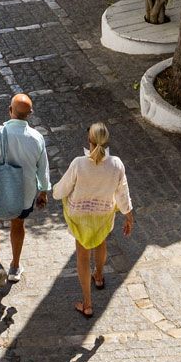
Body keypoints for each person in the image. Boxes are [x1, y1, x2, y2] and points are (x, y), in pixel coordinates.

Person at [52, 122, 135, 317]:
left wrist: (54, 192)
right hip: (103, 214)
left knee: (82, 255)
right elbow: (123, 193)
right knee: (101, 243)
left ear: (89, 140)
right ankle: (98, 276)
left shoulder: (79, 163)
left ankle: (87, 303)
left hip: (80, 216)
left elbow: (61, 191)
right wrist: (129, 216)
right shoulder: (116, 164)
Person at [0, 93, 50, 290]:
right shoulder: (37, 138)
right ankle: (15, 267)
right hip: (23, 196)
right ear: (30, 114)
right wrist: (43, 192)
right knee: (18, 224)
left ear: (10, 111)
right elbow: (42, 169)